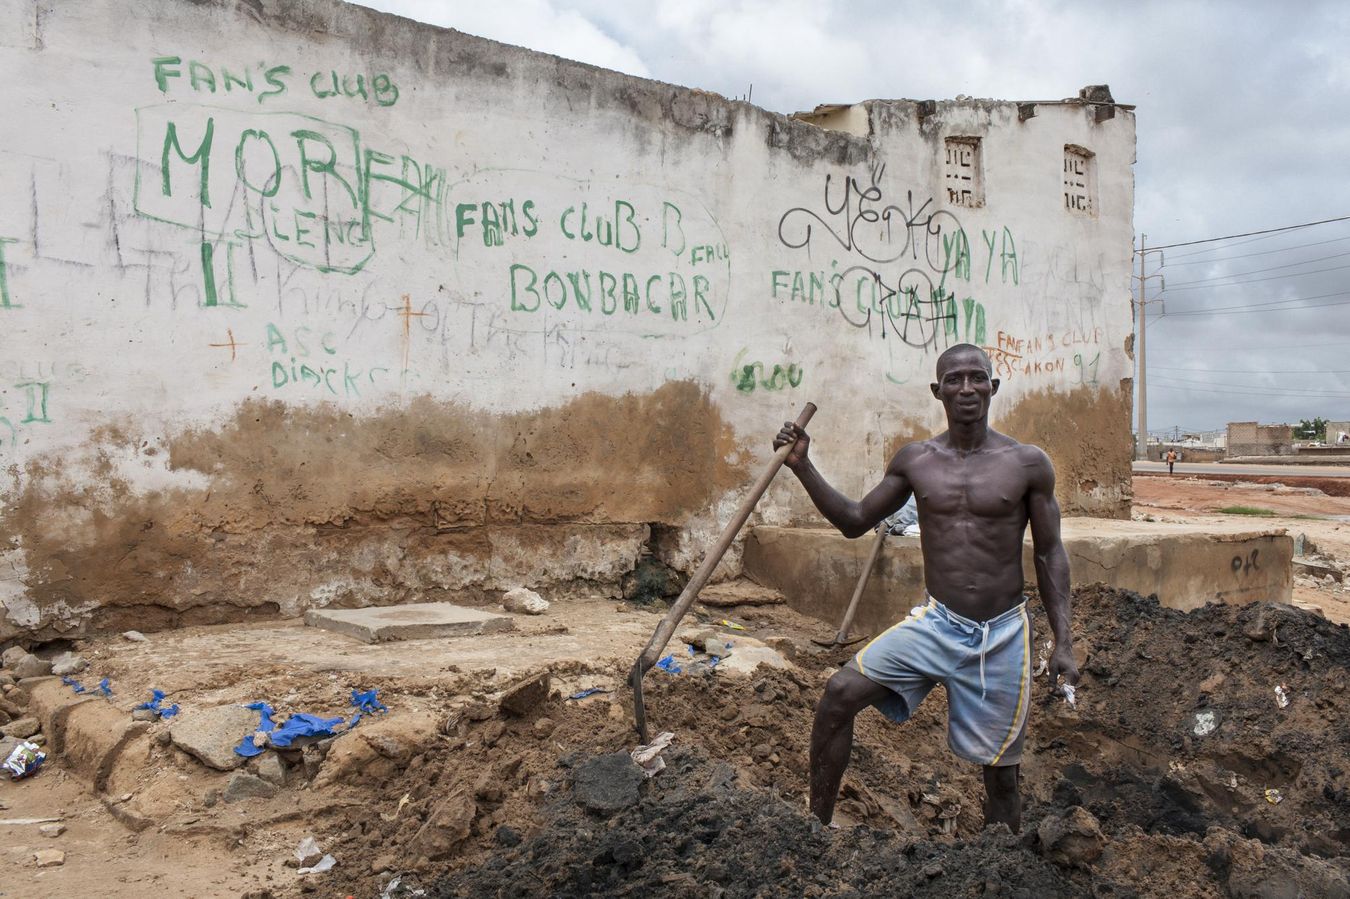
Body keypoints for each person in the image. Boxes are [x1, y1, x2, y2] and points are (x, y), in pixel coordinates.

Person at [773, 343, 1078, 833]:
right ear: (937, 392)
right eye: (953, 380)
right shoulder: (917, 460)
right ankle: (815, 834)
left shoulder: (1027, 463)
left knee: (1002, 777)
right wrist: (803, 466)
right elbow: (854, 521)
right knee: (839, 693)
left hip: (1000, 636)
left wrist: (1064, 641)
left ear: (993, 387)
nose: (966, 389)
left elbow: (1049, 553)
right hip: (937, 623)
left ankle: (1004, 872)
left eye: (977, 378)